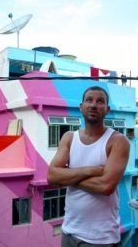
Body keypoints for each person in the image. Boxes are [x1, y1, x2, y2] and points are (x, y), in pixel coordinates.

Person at [48, 86, 129, 247]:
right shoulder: (69, 138)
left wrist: (67, 176)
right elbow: (51, 177)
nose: (93, 105)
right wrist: (90, 170)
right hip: (68, 232)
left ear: (107, 109)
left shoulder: (118, 141)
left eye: (100, 101)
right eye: (89, 100)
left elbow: (106, 186)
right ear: (81, 107)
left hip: (100, 239)